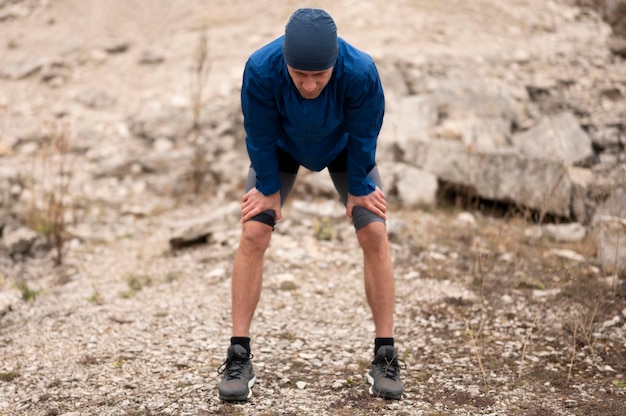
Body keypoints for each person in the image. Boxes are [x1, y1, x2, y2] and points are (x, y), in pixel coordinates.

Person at [217, 7, 403, 401]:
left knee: (374, 230)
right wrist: (267, 188)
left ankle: (385, 355)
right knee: (253, 232)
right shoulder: (261, 68)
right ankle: (238, 355)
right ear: (285, 61)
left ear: (335, 62)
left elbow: (366, 131)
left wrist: (358, 184)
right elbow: (259, 132)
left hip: (344, 149)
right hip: (281, 149)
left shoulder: (361, 72)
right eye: (300, 75)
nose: (310, 85)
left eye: (319, 75)